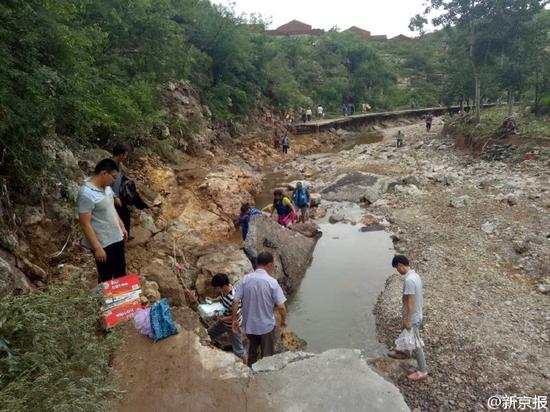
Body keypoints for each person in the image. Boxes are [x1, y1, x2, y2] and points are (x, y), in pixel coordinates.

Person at [232, 252, 287, 366]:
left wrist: (234, 319)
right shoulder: (272, 282)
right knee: (267, 357)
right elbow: (281, 307)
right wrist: (283, 320)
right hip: (266, 327)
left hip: (250, 327)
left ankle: (251, 371)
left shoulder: (245, 279)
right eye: (273, 265)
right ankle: (265, 377)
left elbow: (235, 301)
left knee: (252, 351)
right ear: (269, 265)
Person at [78, 159, 128, 283]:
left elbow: (111, 209)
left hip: (116, 236)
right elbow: (85, 223)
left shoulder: (106, 188)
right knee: (106, 276)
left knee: (121, 271)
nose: (114, 180)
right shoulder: (86, 194)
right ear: (104, 173)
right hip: (103, 242)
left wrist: (122, 226)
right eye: (114, 177)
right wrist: (97, 248)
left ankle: (123, 301)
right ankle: (104, 301)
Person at [391, 255, 427, 381]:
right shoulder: (415, 275)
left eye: (396, 268)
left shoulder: (409, 281)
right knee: (405, 331)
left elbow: (410, 303)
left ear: (401, 265)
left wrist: (408, 319)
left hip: (413, 315)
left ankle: (423, 371)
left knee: (417, 343)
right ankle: (406, 350)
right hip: (415, 313)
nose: (397, 271)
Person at [207, 273, 246, 363]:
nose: (216, 290)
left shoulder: (233, 298)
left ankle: (247, 369)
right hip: (224, 321)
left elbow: (236, 316)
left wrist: (222, 318)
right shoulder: (225, 289)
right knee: (209, 334)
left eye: (217, 288)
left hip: (233, 325)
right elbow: (221, 297)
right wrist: (213, 300)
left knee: (239, 350)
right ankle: (212, 347)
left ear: (224, 286)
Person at [111, 143, 131, 238]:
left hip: (117, 195)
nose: (126, 157)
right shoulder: (109, 166)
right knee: (118, 216)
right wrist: (114, 197)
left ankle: (125, 234)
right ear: (121, 155)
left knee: (125, 215)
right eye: (125, 155)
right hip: (111, 197)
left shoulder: (118, 164)